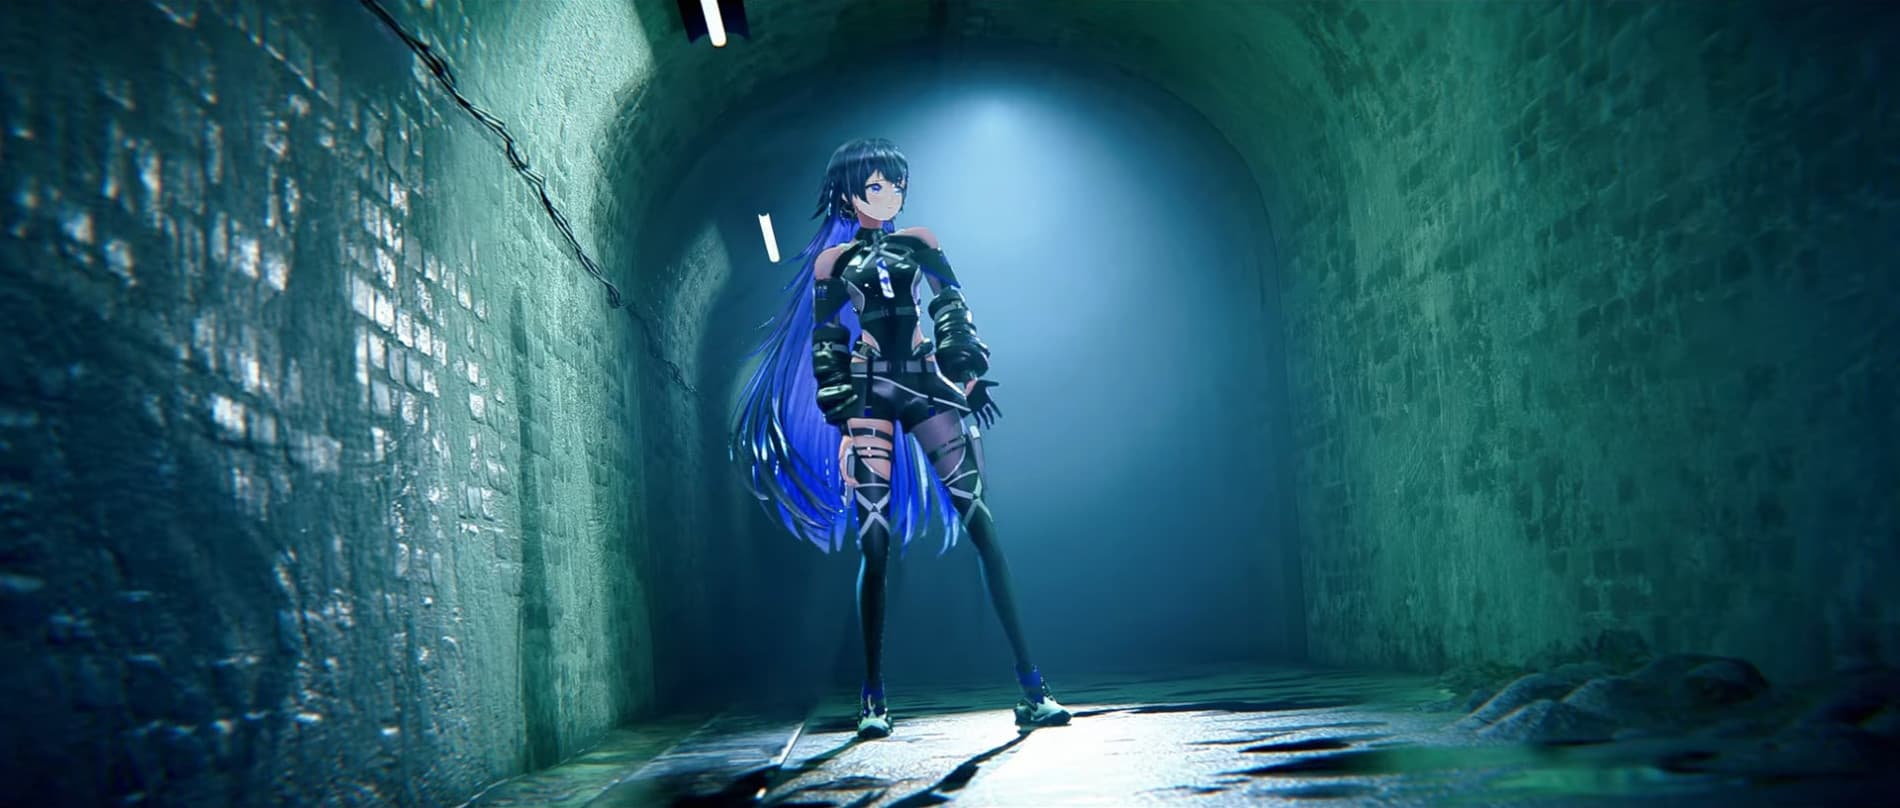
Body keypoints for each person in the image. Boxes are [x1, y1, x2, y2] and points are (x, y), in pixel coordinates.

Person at [729, 138, 1071, 739]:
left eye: (896, 184)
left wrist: (965, 370)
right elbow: (828, 343)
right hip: (868, 392)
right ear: (848, 193)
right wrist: (841, 419)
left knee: (982, 526)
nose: (890, 194)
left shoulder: (921, 242)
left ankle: (1032, 684)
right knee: (875, 544)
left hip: (925, 380)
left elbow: (952, 307)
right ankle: (873, 697)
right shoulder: (832, 263)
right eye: (876, 185)